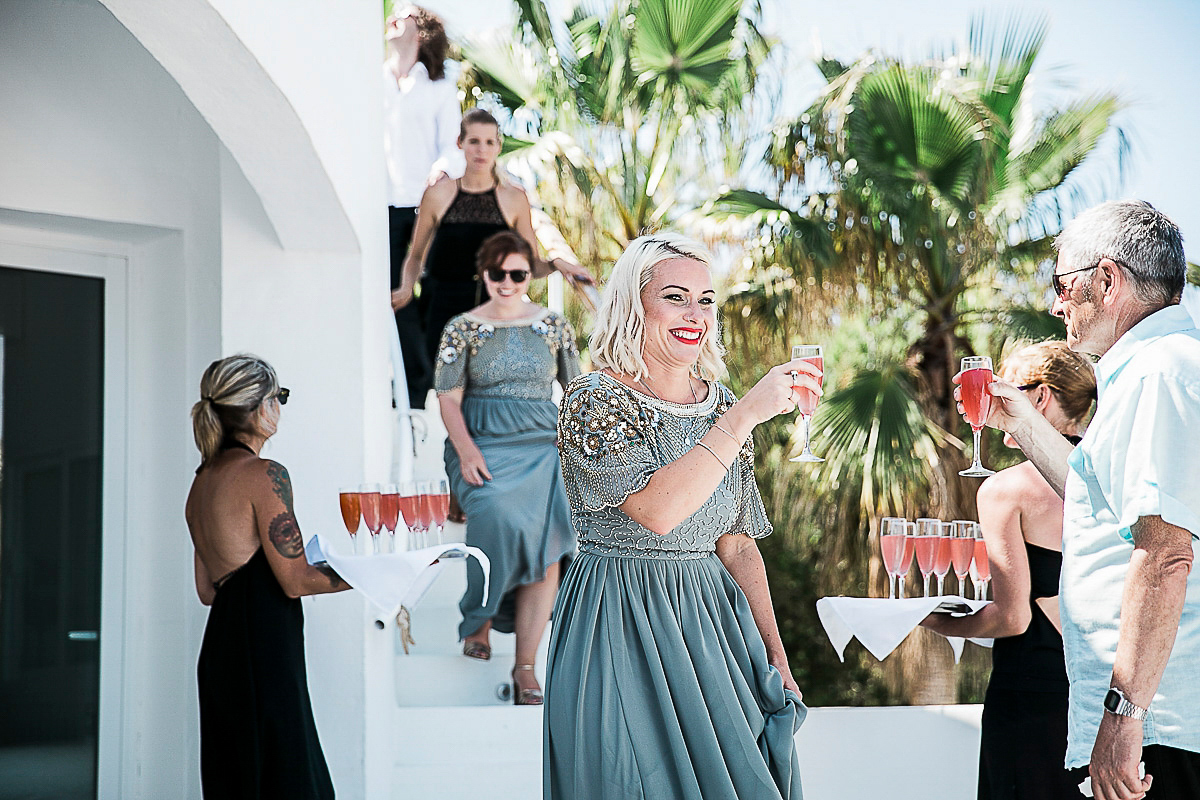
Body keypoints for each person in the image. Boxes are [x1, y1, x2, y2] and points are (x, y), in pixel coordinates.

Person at [545, 233, 815, 799]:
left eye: (707, 299)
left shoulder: (717, 402)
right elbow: (659, 511)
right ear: (633, 304)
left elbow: (738, 544)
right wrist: (744, 416)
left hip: (713, 625)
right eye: (676, 297)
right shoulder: (593, 399)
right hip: (618, 618)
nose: (696, 314)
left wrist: (775, 653)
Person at [961, 200, 1200, 800]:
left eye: (1062, 285)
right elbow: (1103, 505)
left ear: (1108, 279)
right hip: (1154, 717)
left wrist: (1123, 715)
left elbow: (1166, 553)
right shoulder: (1153, 368)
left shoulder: (1157, 376)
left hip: (1157, 725)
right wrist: (1023, 421)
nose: (1054, 304)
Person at [924, 341, 1096, 800]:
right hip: (1104, 693)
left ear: (1039, 399)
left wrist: (933, 619)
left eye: (1007, 387)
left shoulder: (1006, 490)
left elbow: (1012, 617)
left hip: (1033, 698)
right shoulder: (1116, 480)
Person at [186, 355, 349, 799]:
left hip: (222, 648)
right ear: (261, 408)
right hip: (263, 646)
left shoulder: (201, 481)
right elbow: (296, 580)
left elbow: (207, 590)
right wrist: (374, 574)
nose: (280, 407)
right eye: (280, 397)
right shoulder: (264, 475)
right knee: (288, 779)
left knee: (239, 781)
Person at [434, 231, 581, 704]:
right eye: (498, 273)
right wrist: (467, 451)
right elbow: (448, 399)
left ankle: (525, 668)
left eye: (517, 273)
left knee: (549, 545)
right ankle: (478, 618)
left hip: (543, 446)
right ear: (485, 274)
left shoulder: (554, 325)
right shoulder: (462, 327)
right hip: (482, 444)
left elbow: (577, 390)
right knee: (495, 516)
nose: (507, 282)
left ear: (528, 275)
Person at [392, 107, 593, 404]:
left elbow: (531, 265)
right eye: (474, 141)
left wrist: (557, 264)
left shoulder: (514, 198)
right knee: (444, 397)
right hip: (442, 310)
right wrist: (406, 288)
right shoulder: (439, 194)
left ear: (499, 146)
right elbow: (416, 256)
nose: (481, 150)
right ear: (460, 143)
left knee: (487, 395)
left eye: (489, 142)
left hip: (495, 310)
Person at [383, 4, 461, 409]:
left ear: (421, 29)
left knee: (414, 294)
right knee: (391, 297)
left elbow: (453, 146)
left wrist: (442, 170)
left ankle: (418, 393)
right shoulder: (372, 80)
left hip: (418, 207)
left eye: (404, 11)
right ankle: (406, 387)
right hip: (377, 207)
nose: (393, 14)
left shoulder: (439, 87)